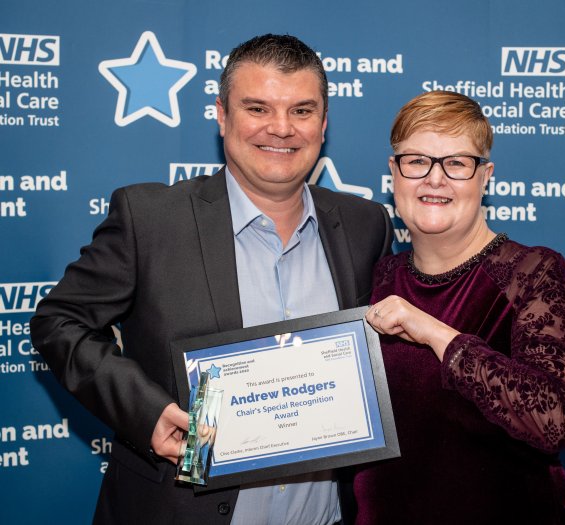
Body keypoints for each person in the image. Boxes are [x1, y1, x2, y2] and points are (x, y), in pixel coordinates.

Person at [30, 34, 392, 525]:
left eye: (302, 111)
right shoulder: (151, 218)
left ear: (323, 124)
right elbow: (59, 322)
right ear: (222, 115)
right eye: (258, 108)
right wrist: (147, 412)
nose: (281, 129)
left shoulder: (365, 225)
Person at [354, 90, 565, 524]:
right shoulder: (379, 276)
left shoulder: (533, 274)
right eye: (416, 160)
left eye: (457, 163)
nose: (434, 179)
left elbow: (555, 419)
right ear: (394, 172)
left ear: (486, 176)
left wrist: (434, 332)